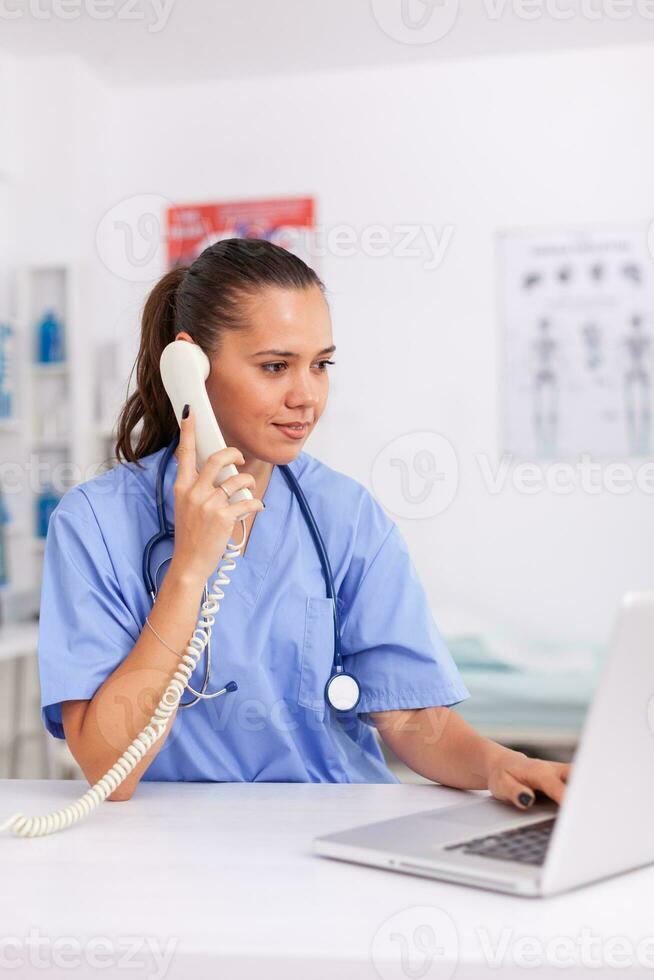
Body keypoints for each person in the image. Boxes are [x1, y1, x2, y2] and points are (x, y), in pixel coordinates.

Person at [38, 238, 570, 806]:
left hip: (333, 835)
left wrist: (501, 765)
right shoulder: (94, 523)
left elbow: (411, 717)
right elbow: (107, 769)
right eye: (275, 367)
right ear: (188, 366)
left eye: (321, 365)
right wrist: (190, 570)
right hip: (175, 849)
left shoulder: (346, 515)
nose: (307, 396)